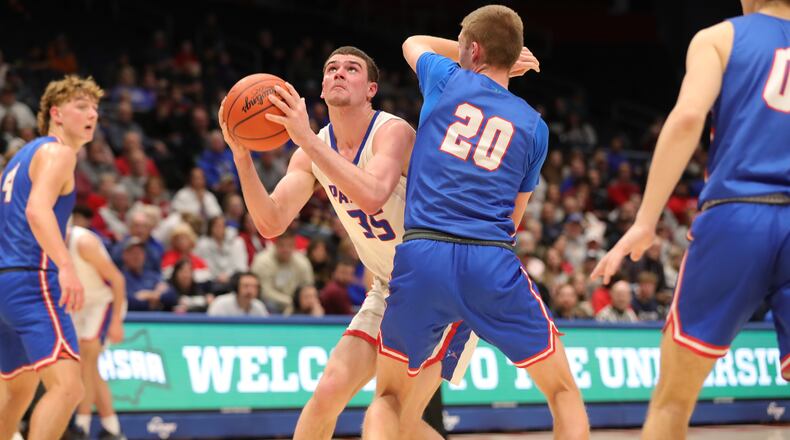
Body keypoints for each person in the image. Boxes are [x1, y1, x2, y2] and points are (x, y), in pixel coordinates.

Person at [219, 46, 477, 439]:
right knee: (326, 394)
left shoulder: (393, 132)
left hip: (443, 287)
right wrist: (242, 156)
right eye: (331, 68)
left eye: (352, 69)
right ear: (321, 87)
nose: (339, 73)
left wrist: (305, 139)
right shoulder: (312, 149)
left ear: (370, 88)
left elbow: (372, 194)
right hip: (389, 288)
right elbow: (270, 222)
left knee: (400, 419)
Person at [363, 6, 589, 439]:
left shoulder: (446, 78)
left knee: (389, 398)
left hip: (423, 254)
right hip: (489, 259)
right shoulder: (535, 126)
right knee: (562, 391)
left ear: (472, 49)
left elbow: (413, 41)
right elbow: (514, 218)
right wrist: (505, 54)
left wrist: (476, 52)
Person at [591, 1, 790, 438]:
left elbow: (685, 121)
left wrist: (645, 221)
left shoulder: (720, 37)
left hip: (739, 212)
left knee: (672, 403)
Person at [0, 75, 102, 440]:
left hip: (4, 284)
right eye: (81, 106)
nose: (92, 114)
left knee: (18, 389)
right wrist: (66, 265)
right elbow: (37, 211)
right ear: (56, 113)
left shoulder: (19, 159)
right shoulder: (59, 152)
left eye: (95, 108)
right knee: (68, 388)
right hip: (32, 278)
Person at [67, 208, 127, 440]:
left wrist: (116, 322)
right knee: (89, 367)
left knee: (87, 362)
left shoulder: (83, 243)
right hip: (78, 304)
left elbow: (118, 280)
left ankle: (81, 426)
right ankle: (112, 428)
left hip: (104, 301)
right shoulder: (46, 243)